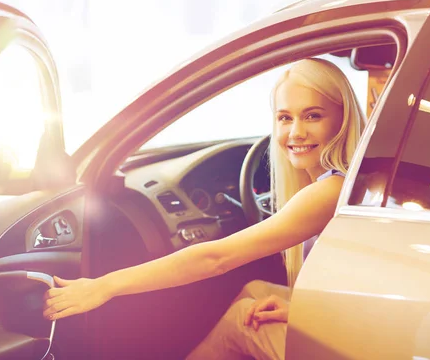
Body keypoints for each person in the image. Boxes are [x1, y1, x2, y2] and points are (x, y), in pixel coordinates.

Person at [43, 58, 364, 359]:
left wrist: (104, 286)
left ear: (343, 117)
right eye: (285, 117)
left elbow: (215, 259)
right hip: (360, 324)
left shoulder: (330, 190)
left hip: (364, 343)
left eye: (312, 116)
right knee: (254, 290)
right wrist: (303, 310)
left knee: (242, 320)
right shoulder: (348, 182)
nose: (296, 132)